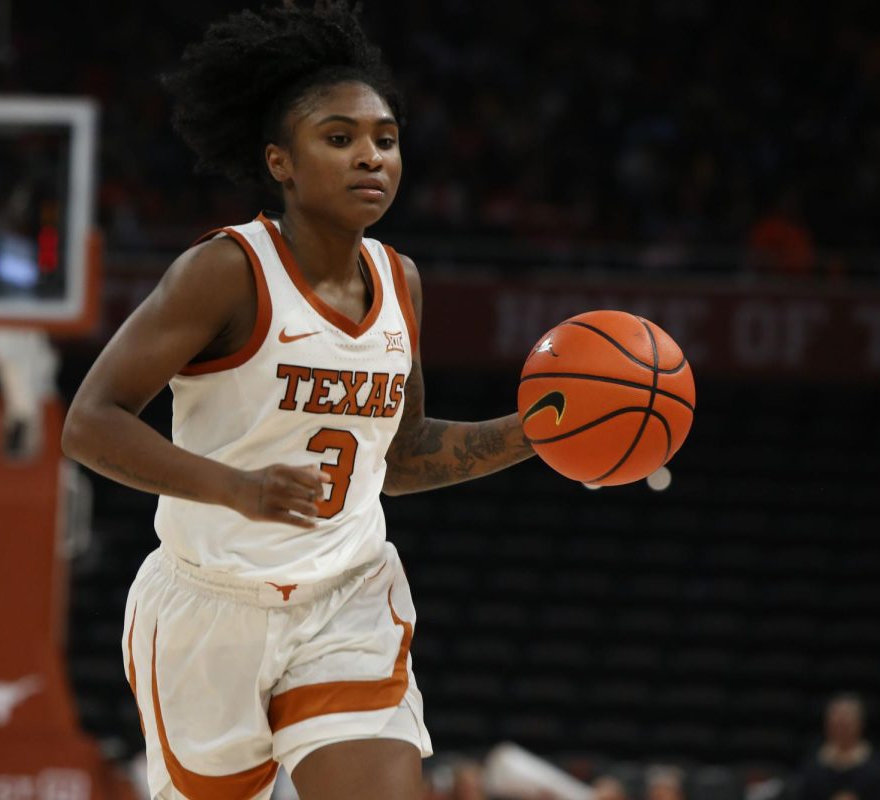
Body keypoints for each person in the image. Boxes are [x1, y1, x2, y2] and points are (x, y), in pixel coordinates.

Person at [62, 3, 535, 797]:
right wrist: (236, 489)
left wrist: (535, 434)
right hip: (210, 605)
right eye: (340, 138)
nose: (371, 158)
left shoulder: (400, 281)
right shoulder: (226, 271)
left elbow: (403, 456)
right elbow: (90, 423)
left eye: (385, 139)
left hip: (347, 594)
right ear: (281, 162)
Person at [797, 694, 880, 800]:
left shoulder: (877, 765)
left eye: (846, 724)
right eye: (836, 724)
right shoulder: (812, 762)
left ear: (860, 724)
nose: (841, 730)